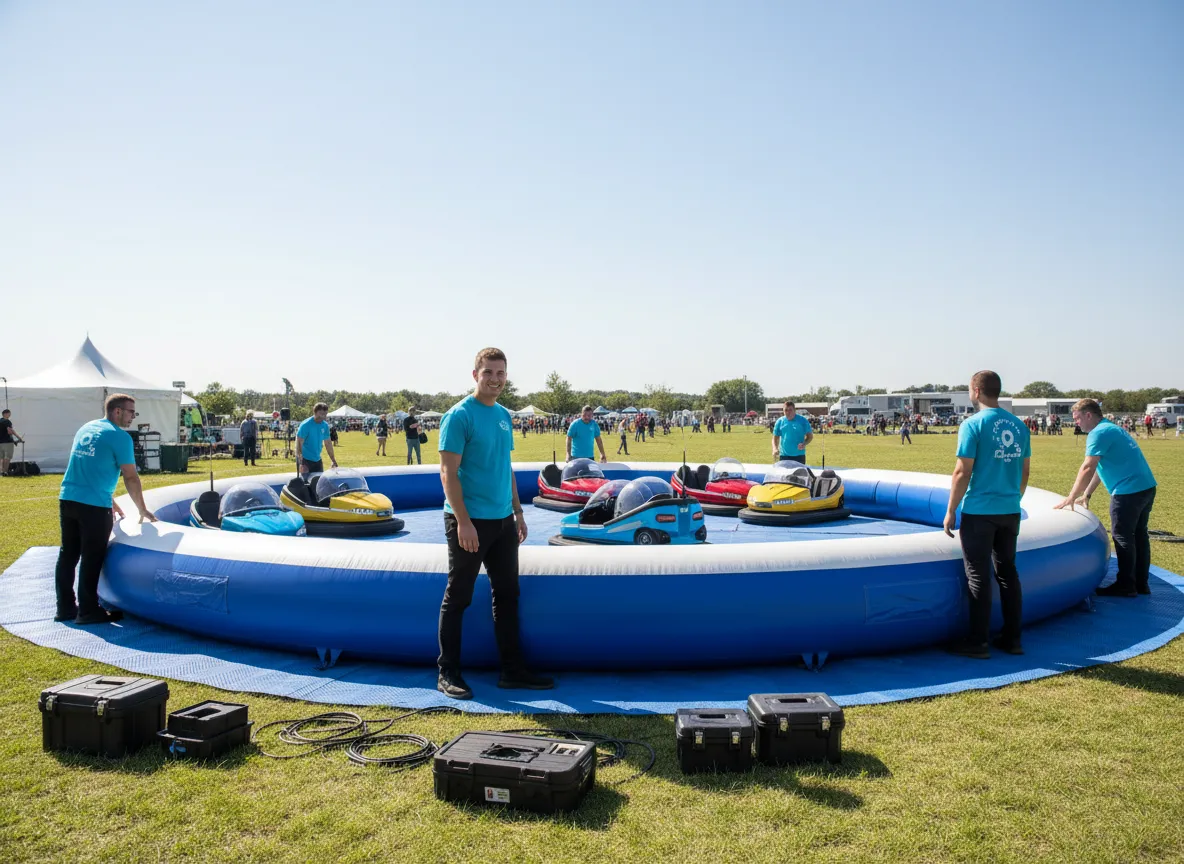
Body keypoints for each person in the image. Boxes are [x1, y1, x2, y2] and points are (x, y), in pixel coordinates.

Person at [436, 347, 552, 700]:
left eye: (501, 373)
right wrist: (463, 522)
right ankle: (448, 672)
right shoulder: (458, 416)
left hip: (502, 522)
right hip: (470, 522)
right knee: (458, 597)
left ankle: (512, 671)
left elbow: (505, 468)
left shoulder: (503, 415)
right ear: (475, 375)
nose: (496, 380)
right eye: (489, 373)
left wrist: (517, 512)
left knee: (507, 596)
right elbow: (448, 473)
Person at [943, 371, 1030, 658]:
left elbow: (962, 471)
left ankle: (978, 642)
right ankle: (1013, 639)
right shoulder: (1019, 425)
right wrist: (1013, 498)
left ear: (977, 392)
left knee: (977, 575)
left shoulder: (973, 424)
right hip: (1010, 509)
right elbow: (1024, 470)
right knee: (1008, 573)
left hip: (980, 511)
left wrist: (951, 509)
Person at [56, 394, 157, 625]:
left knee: (68, 555)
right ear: (117, 411)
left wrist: (108, 497)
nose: (133, 416)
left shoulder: (87, 428)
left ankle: (65, 608)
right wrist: (142, 509)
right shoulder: (119, 437)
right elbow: (131, 477)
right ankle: (89, 611)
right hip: (92, 506)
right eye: (131, 412)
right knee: (92, 557)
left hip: (68, 498)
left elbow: (89, 465)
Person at [1055, 398, 1157, 597]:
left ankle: (1126, 585)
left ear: (1088, 415)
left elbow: (1087, 467)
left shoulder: (1098, 433)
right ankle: (1141, 583)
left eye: (1077, 419)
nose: (1076, 423)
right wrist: (1086, 494)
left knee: (1123, 536)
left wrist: (1071, 497)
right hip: (1145, 487)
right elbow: (1100, 469)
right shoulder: (1111, 428)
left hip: (1128, 491)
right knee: (1139, 535)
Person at [295, 403, 337, 476]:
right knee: (305, 483)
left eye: (325, 414)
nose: (323, 416)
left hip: (317, 459)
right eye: (321, 413)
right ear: (315, 412)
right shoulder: (306, 425)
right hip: (305, 459)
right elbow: (299, 443)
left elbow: (328, 443)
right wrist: (301, 463)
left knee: (319, 483)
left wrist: (333, 460)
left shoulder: (325, 425)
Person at [0, 408, 20, 476]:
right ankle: (5, 472)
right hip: (7, 442)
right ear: (5, 414)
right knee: (7, 458)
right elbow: (10, 431)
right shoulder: (7, 421)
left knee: (1, 458)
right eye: (9, 413)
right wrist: (19, 437)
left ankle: (1, 471)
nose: (10, 415)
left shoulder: (0, 421)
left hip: (0, 443)